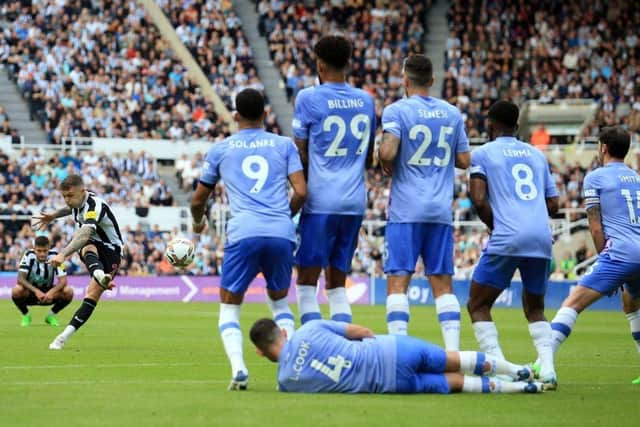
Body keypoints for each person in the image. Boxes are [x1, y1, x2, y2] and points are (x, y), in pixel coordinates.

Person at [191, 88, 307, 390]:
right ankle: (295, 369)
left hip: (244, 234)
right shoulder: (284, 145)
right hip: (281, 234)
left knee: (230, 307)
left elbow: (198, 199)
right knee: (280, 303)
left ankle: (239, 370)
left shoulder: (221, 149)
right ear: (265, 114)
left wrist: (198, 223)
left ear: (236, 115)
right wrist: (284, 216)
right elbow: (302, 191)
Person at [378, 54, 470, 350]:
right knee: (442, 284)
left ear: (404, 80)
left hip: (406, 210)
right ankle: (453, 352)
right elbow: (465, 160)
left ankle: (398, 350)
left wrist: (384, 157)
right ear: (432, 81)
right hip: (440, 211)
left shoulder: (396, 111)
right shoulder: (452, 114)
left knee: (398, 281)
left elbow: (389, 153)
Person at [467, 100, 559, 389]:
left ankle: (500, 366)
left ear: (491, 124)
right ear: (517, 125)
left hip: (508, 236)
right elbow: (554, 204)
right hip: (541, 238)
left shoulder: (482, 153)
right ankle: (548, 369)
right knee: (535, 308)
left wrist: (500, 226)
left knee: (478, 304)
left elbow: (478, 199)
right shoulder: (536, 155)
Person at [291, 35, 376, 325]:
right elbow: (368, 155)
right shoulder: (366, 100)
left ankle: (314, 344)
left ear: (319, 63)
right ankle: (342, 348)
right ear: (348, 63)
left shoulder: (308, 97)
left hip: (321, 200)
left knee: (305, 280)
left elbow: (300, 151)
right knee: (338, 283)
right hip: (354, 202)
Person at [547, 126, 640, 384]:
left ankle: (544, 364)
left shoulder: (595, 177)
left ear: (603, 148)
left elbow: (595, 224)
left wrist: (604, 261)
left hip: (620, 252)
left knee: (573, 302)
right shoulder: (636, 177)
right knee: (631, 303)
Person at [249, 318, 544, 394]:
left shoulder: (287, 381)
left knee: (453, 381)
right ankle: (521, 370)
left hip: (388, 384)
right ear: (283, 332)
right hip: (390, 350)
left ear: (260, 353)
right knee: (452, 358)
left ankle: (518, 388)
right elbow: (360, 330)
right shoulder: (310, 329)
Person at [31, 174, 123, 350]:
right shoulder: (77, 202)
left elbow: (86, 233)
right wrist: (53, 216)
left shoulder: (95, 206)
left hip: (113, 251)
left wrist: (63, 254)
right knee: (88, 248)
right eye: (64, 196)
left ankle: (98, 274)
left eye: (70, 196)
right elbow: (70, 209)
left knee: (84, 241)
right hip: (94, 249)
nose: (67, 200)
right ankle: (62, 338)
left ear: (83, 191)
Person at [11, 235, 73, 326]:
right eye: (39, 251)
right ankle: (26, 315)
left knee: (68, 291)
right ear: (34, 248)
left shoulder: (55, 256)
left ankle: (50, 316)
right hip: (31, 293)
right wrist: (36, 291)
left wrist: (51, 292)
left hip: (49, 293)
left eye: (45, 251)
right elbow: (20, 279)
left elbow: (63, 281)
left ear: (49, 248)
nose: (42, 254)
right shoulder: (28, 255)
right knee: (16, 290)